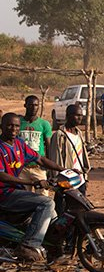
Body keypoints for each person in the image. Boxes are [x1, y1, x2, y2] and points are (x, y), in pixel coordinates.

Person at [0, 112, 63, 262]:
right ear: (1, 126)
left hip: (15, 191)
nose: (14, 129)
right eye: (9, 125)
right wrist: (32, 183)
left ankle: (52, 248)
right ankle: (28, 246)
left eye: (16, 126)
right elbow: (1, 175)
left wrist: (63, 169)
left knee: (52, 213)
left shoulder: (19, 144)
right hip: (4, 194)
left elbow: (40, 159)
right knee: (47, 202)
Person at [50, 105, 91, 192]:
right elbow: (55, 159)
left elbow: (82, 158)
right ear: (68, 116)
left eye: (81, 115)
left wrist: (85, 177)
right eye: (77, 115)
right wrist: (58, 180)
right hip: (66, 180)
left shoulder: (79, 134)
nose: (80, 118)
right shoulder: (59, 135)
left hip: (80, 179)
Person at [18, 95, 53, 197]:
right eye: (30, 105)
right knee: (23, 198)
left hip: (38, 167)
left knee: (43, 197)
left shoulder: (44, 124)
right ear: (25, 105)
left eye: (36, 105)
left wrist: (48, 166)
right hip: (22, 168)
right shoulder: (18, 122)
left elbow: (48, 146)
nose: (33, 107)